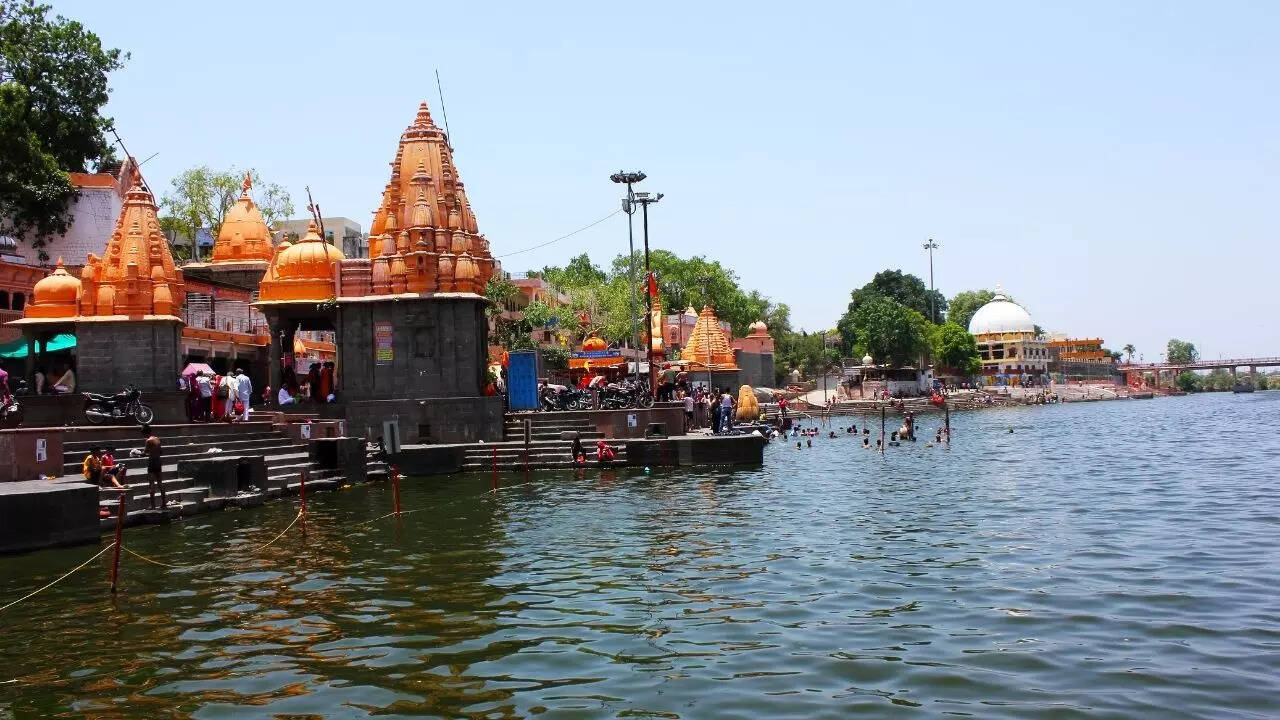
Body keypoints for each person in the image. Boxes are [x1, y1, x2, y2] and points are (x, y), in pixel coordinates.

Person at [142, 424, 166, 510]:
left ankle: (153, 506)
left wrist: (137, 453)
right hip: (158, 462)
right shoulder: (157, 439)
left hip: (152, 462)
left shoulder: (148, 441)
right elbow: (161, 452)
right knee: (160, 483)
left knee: (151, 484)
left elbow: (144, 453)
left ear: (144, 433)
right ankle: (164, 504)